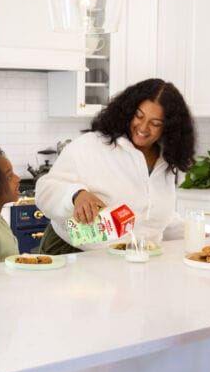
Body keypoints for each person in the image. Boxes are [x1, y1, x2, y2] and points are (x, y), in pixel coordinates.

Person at [35, 78, 196, 254]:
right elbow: (45, 191)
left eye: (155, 123)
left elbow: (150, 215)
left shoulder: (167, 161)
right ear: (128, 111)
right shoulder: (92, 145)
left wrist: (192, 232)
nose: (143, 127)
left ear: (169, 127)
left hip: (133, 257)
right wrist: (76, 195)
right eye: (139, 116)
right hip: (73, 251)